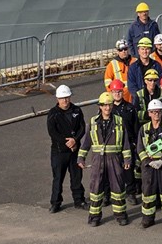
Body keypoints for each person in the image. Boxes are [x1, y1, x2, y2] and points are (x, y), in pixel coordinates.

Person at [79, 90, 130, 226]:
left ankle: (121, 215)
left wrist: (127, 159)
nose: (107, 108)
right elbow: (86, 142)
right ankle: (94, 217)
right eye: (105, 105)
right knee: (96, 189)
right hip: (98, 160)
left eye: (110, 105)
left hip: (115, 160)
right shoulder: (93, 122)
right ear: (100, 106)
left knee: (118, 188)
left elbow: (125, 142)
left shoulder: (119, 121)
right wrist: (81, 158)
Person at [47, 84, 85, 214]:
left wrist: (75, 140)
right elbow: (52, 132)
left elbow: (82, 128)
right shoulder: (53, 114)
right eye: (62, 98)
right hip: (59, 151)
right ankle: (55, 202)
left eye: (67, 97)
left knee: (76, 176)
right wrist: (67, 143)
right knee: (58, 177)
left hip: (74, 150)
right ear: (57, 99)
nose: (65, 101)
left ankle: (79, 200)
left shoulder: (77, 111)